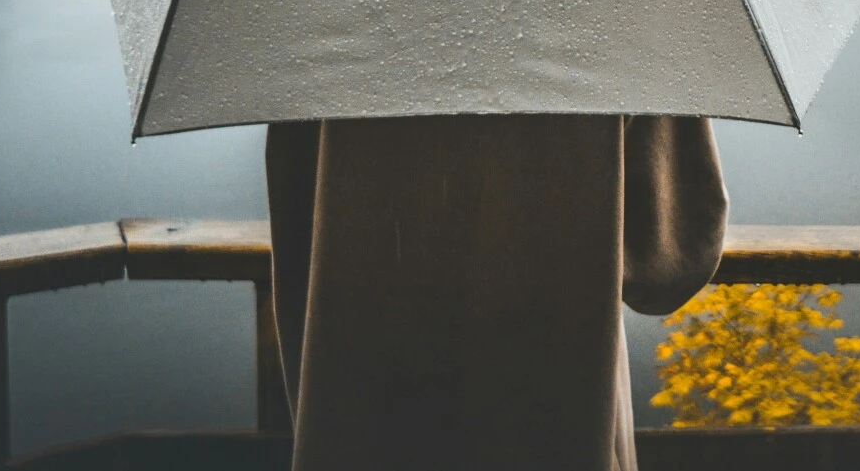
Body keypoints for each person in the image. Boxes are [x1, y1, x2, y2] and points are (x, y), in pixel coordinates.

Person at [266, 113, 728, 471]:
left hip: (358, 409)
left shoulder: (318, 8)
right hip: (561, 409)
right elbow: (669, 257)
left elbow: (295, 222)